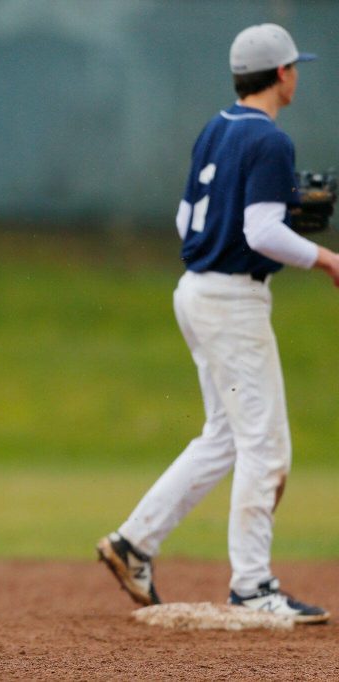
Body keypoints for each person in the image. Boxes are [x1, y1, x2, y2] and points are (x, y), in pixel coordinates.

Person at [96, 24, 339, 623]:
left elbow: (188, 220)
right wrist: (326, 257)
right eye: (294, 67)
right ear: (281, 74)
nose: (297, 75)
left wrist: (245, 234)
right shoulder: (271, 142)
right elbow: (259, 232)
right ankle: (253, 586)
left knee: (226, 437)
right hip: (231, 307)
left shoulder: (216, 128)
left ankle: (134, 543)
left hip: (198, 296)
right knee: (265, 445)